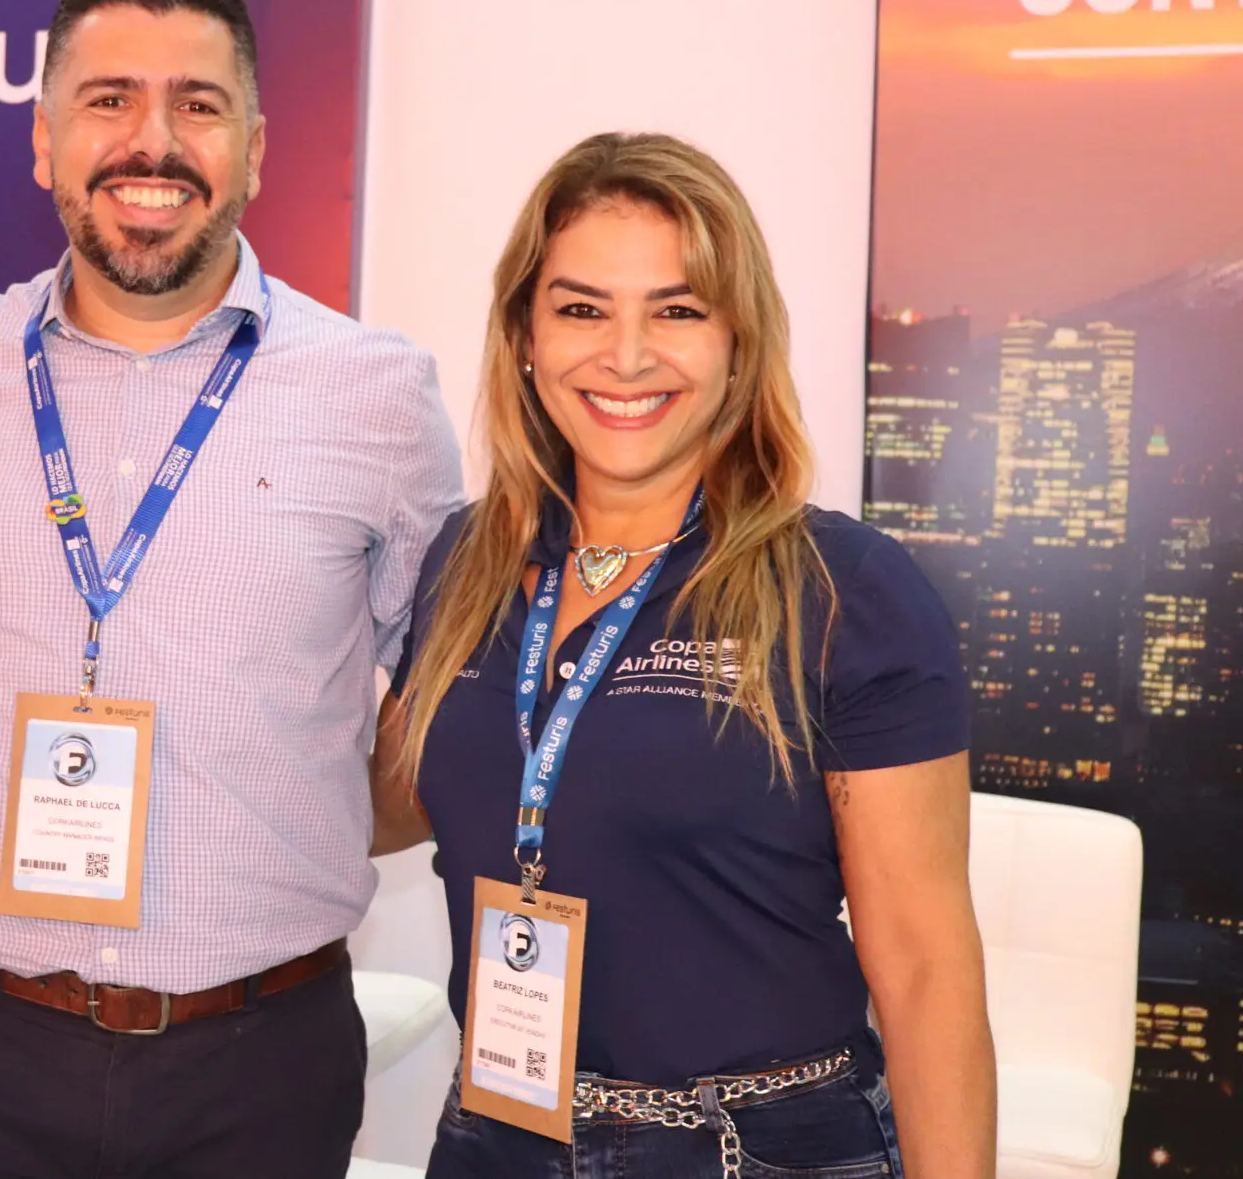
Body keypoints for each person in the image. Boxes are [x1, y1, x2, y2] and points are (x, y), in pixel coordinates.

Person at [0, 0, 463, 1177]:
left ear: (254, 147)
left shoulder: (376, 392)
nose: (153, 143)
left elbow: (449, 691)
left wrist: (297, 813)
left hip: (255, 1063)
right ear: (43, 141)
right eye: (108, 100)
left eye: (197, 105)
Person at [374, 133, 995, 1178]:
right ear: (523, 334)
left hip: (754, 1148)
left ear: (737, 342)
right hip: (495, 1133)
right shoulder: (462, 564)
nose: (624, 356)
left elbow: (925, 969)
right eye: (579, 309)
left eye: (676, 310)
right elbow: (392, 800)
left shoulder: (844, 591)